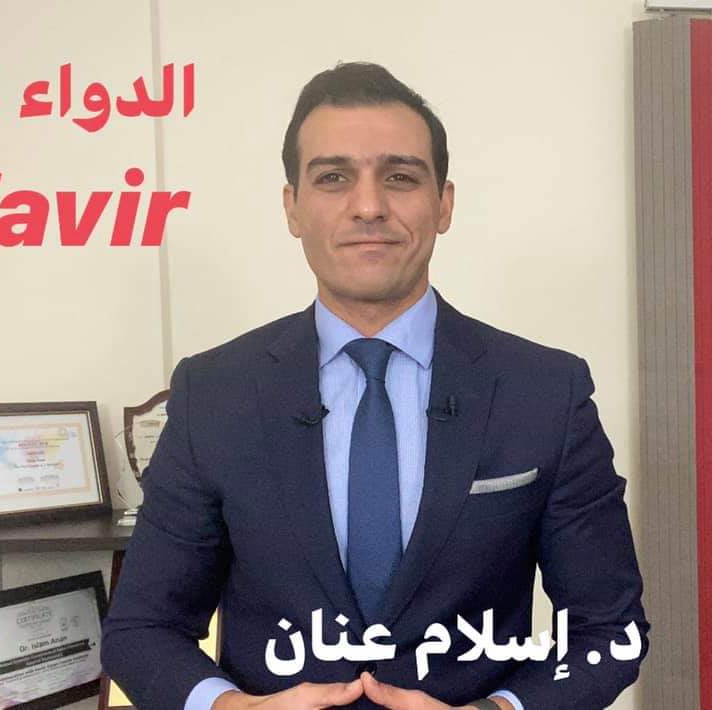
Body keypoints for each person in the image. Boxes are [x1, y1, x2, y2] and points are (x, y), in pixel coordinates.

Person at [101, 62, 648, 710]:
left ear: (443, 203)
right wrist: (230, 708)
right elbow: (142, 629)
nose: (368, 206)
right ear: (292, 207)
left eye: (400, 177)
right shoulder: (214, 393)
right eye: (333, 178)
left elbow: (608, 631)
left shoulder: (545, 391)